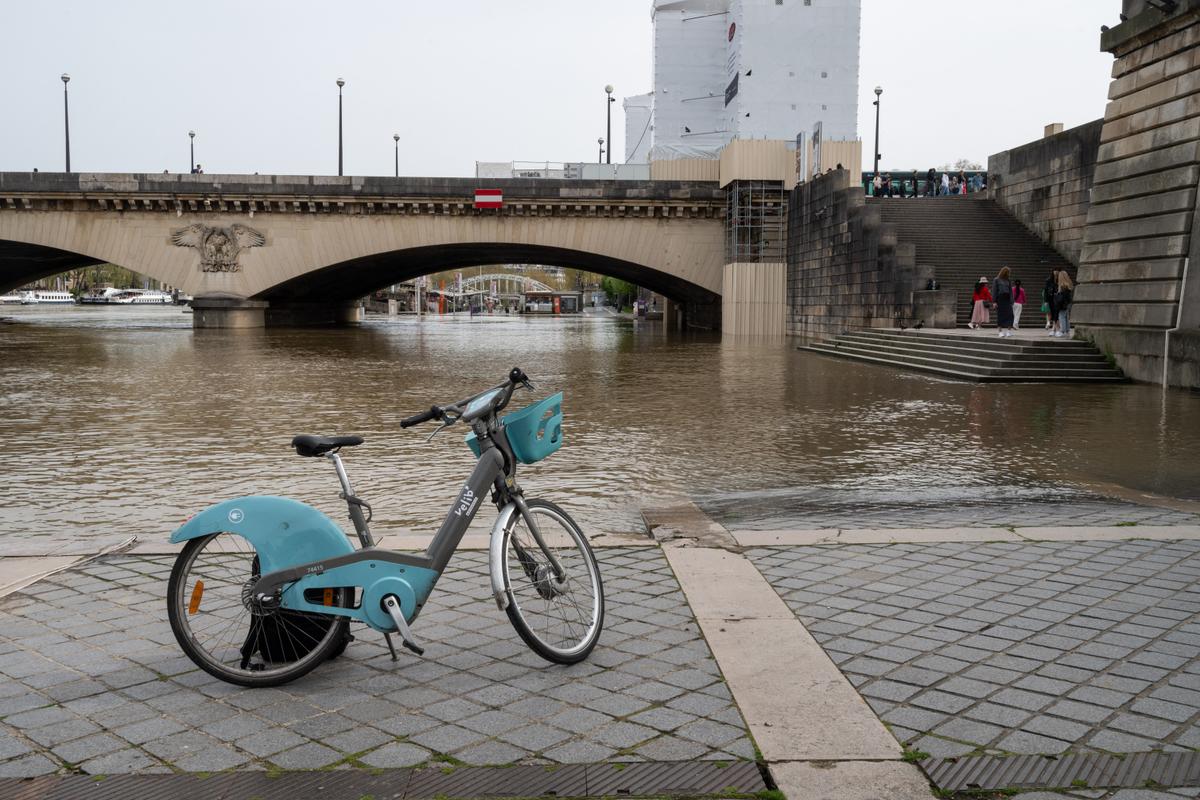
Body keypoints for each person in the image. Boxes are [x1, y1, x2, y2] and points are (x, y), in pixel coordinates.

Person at [992, 267, 1015, 337]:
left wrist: (1012, 300)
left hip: (1007, 299)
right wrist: (994, 302)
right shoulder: (996, 280)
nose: (1009, 274)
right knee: (1000, 315)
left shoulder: (1008, 280)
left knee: (1011, 315)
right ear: (1004, 272)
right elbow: (994, 291)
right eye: (1008, 273)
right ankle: (1000, 331)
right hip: (1000, 299)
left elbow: (1010, 291)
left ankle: (1008, 331)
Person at [1054, 272, 1074, 338]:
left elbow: (1061, 297)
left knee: (1061, 316)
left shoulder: (1062, 286)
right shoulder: (1069, 284)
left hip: (1063, 304)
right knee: (1066, 317)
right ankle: (1067, 331)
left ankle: (1063, 331)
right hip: (1068, 303)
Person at [1042, 267, 1059, 332]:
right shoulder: (1048, 280)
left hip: (1057, 299)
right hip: (1050, 298)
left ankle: (1054, 328)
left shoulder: (1059, 280)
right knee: (1051, 312)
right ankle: (1051, 324)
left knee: (1055, 313)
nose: (1056, 272)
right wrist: (1046, 301)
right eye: (1055, 271)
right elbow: (1046, 290)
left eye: (1057, 271)